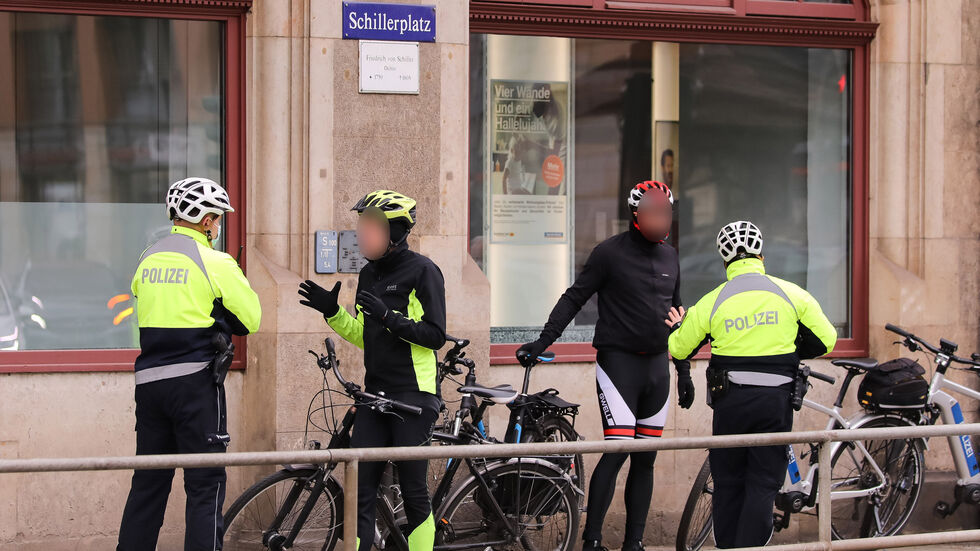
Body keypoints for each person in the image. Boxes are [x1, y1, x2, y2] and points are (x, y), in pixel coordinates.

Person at [517, 181, 694, 551]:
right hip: (619, 365)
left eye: (666, 212)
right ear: (635, 214)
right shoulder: (608, 254)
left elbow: (678, 316)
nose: (662, 219)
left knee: (645, 460)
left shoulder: (671, 257)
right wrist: (542, 342)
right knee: (616, 452)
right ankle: (592, 540)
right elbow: (574, 298)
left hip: (657, 369)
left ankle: (635, 542)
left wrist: (683, 371)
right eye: (654, 211)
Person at [665, 220, 837, 548]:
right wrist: (792, 347)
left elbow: (678, 348)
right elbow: (827, 339)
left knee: (728, 482)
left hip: (730, 403)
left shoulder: (714, 299)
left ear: (724, 258)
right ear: (760, 253)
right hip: (776, 402)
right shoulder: (791, 294)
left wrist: (680, 328)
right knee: (762, 483)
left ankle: (729, 547)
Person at [119, 177, 261, 551]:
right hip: (196, 386)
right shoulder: (216, 261)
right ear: (206, 221)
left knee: (148, 484)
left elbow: (143, 314)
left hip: (149, 385)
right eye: (217, 218)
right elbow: (252, 319)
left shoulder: (147, 257)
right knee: (205, 485)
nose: (218, 225)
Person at [298, 190, 445, 551]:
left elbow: (434, 336)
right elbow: (368, 337)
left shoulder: (423, 271)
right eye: (360, 226)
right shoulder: (368, 273)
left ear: (394, 232)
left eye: (371, 226)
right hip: (374, 395)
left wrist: (387, 315)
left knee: (413, 494)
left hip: (414, 395)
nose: (362, 234)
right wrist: (332, 312)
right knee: (359, 490)